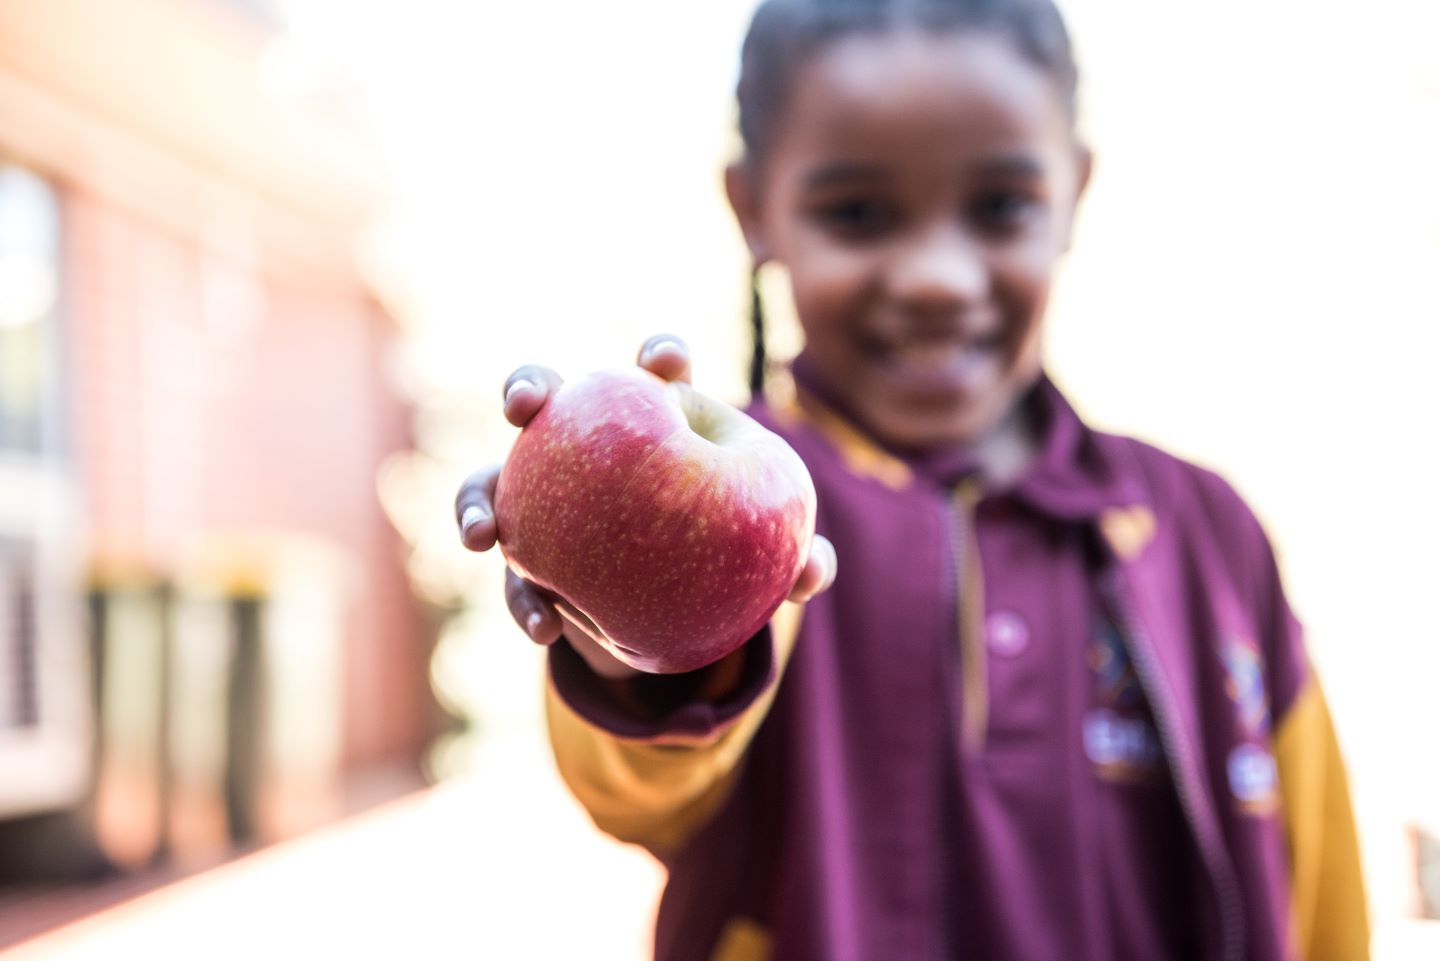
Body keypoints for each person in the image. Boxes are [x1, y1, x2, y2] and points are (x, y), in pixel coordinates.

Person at [454, 1, 1370, 958]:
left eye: (1000, 206)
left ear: (1074, 194)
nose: (937, 276)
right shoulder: (778, 542)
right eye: (857, 213)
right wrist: (626, 625)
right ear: (754, 208)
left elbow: (1323, 895)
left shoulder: (1206, 535)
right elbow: (638, 787)